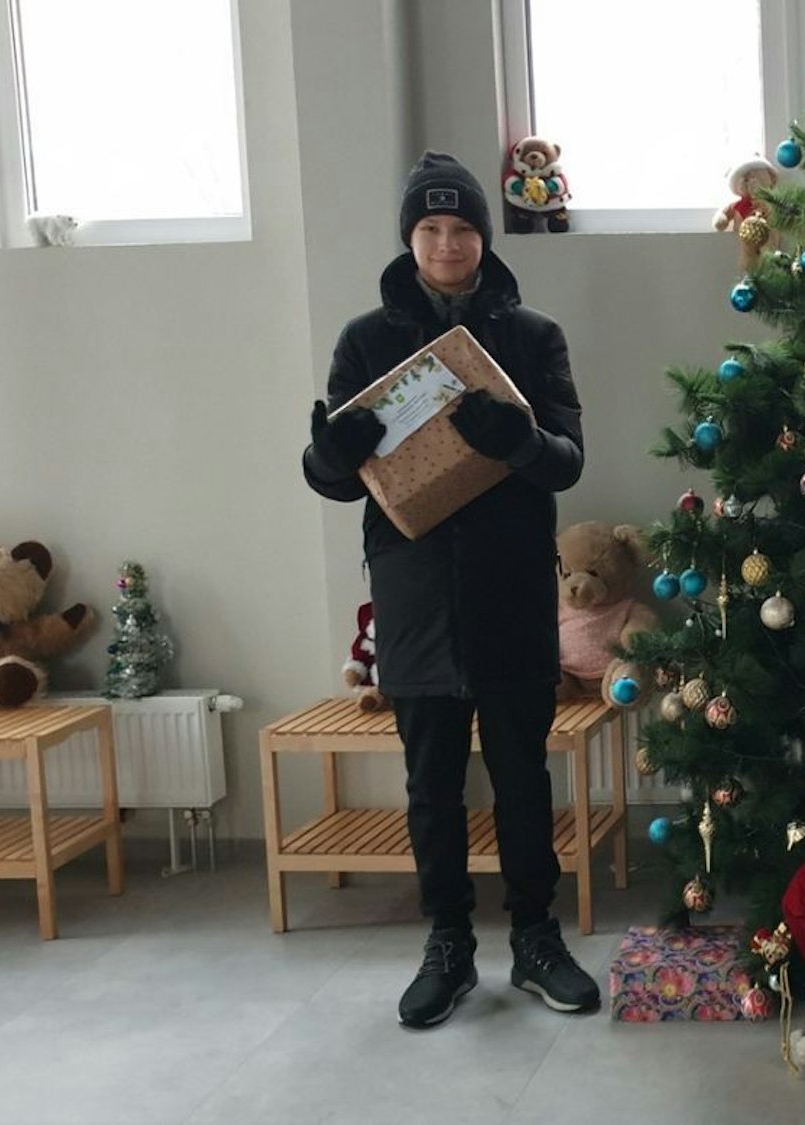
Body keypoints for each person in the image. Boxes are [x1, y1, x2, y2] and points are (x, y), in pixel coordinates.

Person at [302, 150, 597, 1028]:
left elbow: (569, 463)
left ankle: (537, 938)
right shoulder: (365, 339)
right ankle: (448, 945)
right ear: (410, 238)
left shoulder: (534, 335)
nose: (447, 243)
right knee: (431, 782)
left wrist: (516, 439)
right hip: (415, 594)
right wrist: (333, 447)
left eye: (462, 228)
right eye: (430, 229)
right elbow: (330, 477)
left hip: (510, 589)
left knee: (521, 776)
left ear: (483, 236)